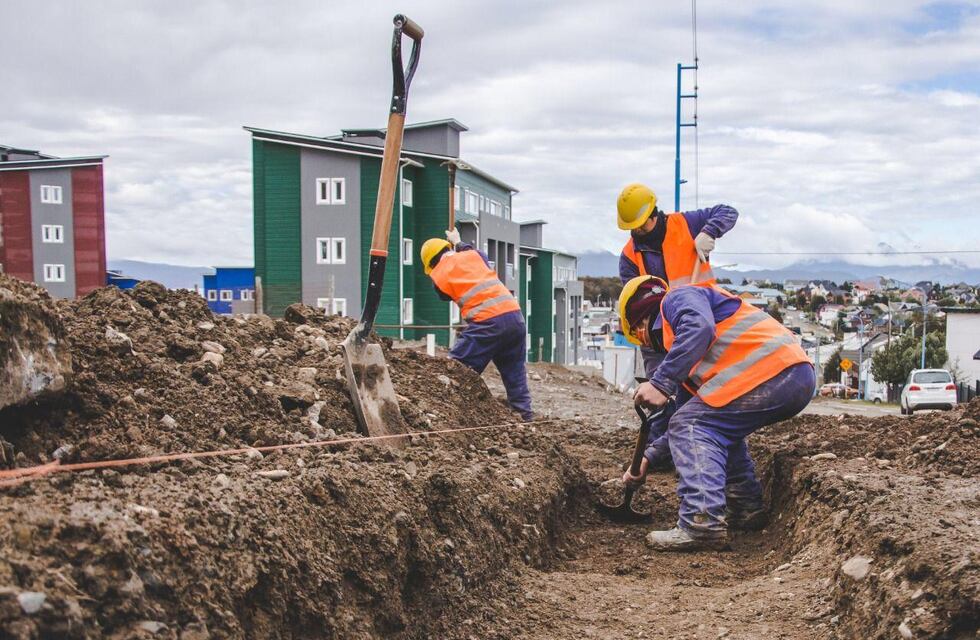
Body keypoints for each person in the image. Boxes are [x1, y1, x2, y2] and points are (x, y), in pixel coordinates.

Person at [618, 275, 814, 551]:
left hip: (775, 372)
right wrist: (647, 459)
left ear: (643, 318)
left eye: (638, 333)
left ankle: (702, 523)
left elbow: (699, 327)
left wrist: (661, 383)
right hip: (790, 375)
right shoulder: (689, 358)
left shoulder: (677, 299)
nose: (649, 345)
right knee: (711, 425)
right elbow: (682, 419)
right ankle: (744, 506)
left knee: (694, 425)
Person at [617, 183, 740, 468]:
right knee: (661, 389)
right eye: (630, 227)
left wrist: (710, 231)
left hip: (702, 322)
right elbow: (636, 301)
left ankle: (694, 450)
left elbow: (728, 211)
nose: (636, 231)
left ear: (653, 214)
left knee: (700, 392)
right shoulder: (629, 257)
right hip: (659, 332)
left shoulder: (685, 223)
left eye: (640, 225)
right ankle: (661, 454)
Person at [420, 229, 532, 420]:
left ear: (431, 263)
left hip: (488, 323)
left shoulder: (438, 276)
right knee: (515, 373)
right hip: (515, 319)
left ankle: (452, 414)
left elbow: (443, 296)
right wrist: (458, 242)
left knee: (456, 368)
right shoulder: (473, 255)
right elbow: (478, 255)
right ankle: (525, 416)